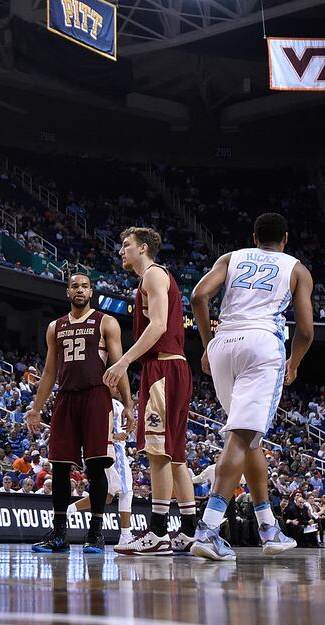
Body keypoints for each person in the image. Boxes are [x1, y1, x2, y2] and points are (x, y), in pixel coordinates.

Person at [188, 212, 314, 561]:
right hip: (261, 344)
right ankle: (208, 529)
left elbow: (198, 296)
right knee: (241, 437)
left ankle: (268, 528)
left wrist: (207, 345)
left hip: (223, 345)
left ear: (254, 237)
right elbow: (305, 331)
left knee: (249, 438)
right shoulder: (297, 269)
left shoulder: (231, 257)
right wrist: (294, 362)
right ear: (285, 239)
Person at [103, 227, 195, 557]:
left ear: (143, 248)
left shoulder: (153, 275)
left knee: (158, 453)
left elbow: (157, 325)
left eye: (126, 245)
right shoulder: (157, 277)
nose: (121, 251)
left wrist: (124, 361)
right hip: (175, 368)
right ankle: (188, 531)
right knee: (176, 456)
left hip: (163, 369)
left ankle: (157, 532)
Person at [27, 274, 133, 555]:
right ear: (67, 292)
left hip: (96, 395)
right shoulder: (55, 327)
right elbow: (49, 371)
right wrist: (36, 408)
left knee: (96, 466)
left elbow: (119, 365)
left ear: (91, 292)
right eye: (74, 286)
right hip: (66, 397)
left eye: (84, 286)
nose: (79, 290)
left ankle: (95, 533)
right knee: (60, 467)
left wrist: (129, 404)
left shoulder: (106, 322)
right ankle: (59, 534)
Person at [69, 397, 136, 546]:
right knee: (126, 492)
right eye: (115, 385)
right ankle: (125, 536)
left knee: (106, 496)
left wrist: (128, 430)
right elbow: (93, 429)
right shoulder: (104, 401)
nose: (118, 388)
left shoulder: (116, 403)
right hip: (113, 451)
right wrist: (115, 436)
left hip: (110, 450)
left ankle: (69, 510)